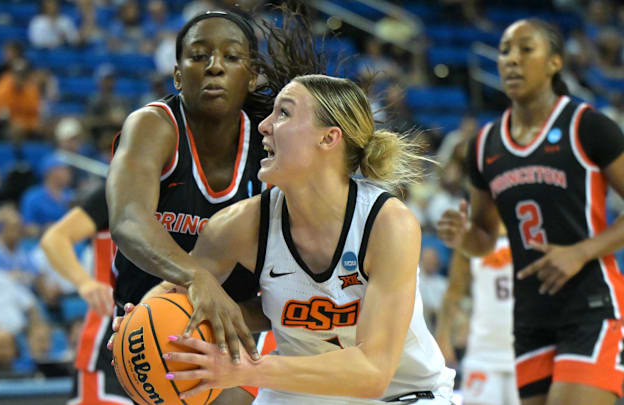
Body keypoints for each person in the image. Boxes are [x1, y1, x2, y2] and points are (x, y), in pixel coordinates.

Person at [121, 74, 454, 404]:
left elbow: (373, 372)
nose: (264, 125)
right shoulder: (239, 225)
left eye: (283, 113)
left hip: (401, 393)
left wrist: (245, 368)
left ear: (328, 138)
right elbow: (176, 291)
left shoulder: (388, 223)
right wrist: (138, 325)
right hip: (300, 394)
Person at [106, 7, 323, 405]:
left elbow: (297, 278)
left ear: (253, 74)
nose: (214, 67)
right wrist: (196, 278)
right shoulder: (154, 125)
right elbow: (128, 219)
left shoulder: (271, 146)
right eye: (199, 55)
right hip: (142, 323)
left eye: (231, 57)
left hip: (231, 330)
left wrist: (232, 313)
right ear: (177, 75)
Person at [436, 19, 624, 405]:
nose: (511, 61)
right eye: (505, 51)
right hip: (529, 317)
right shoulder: (484, 145)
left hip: (590, 304)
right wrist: (462, 236)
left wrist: (581, 251)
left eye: (526, 49)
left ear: (555, 62)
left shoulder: (588, 127)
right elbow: (484, 240)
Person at [40, 184, 123, 404]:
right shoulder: (119, 189)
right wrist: (85, 282)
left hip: (169, 342)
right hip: (108, 342)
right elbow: (54, 239)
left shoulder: (194, 197)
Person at [435, 222, 519, 405]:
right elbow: (454, 292)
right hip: (483, 353)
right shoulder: (472, 239)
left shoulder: (530, 232)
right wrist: (443, 337)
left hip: (525, 352)